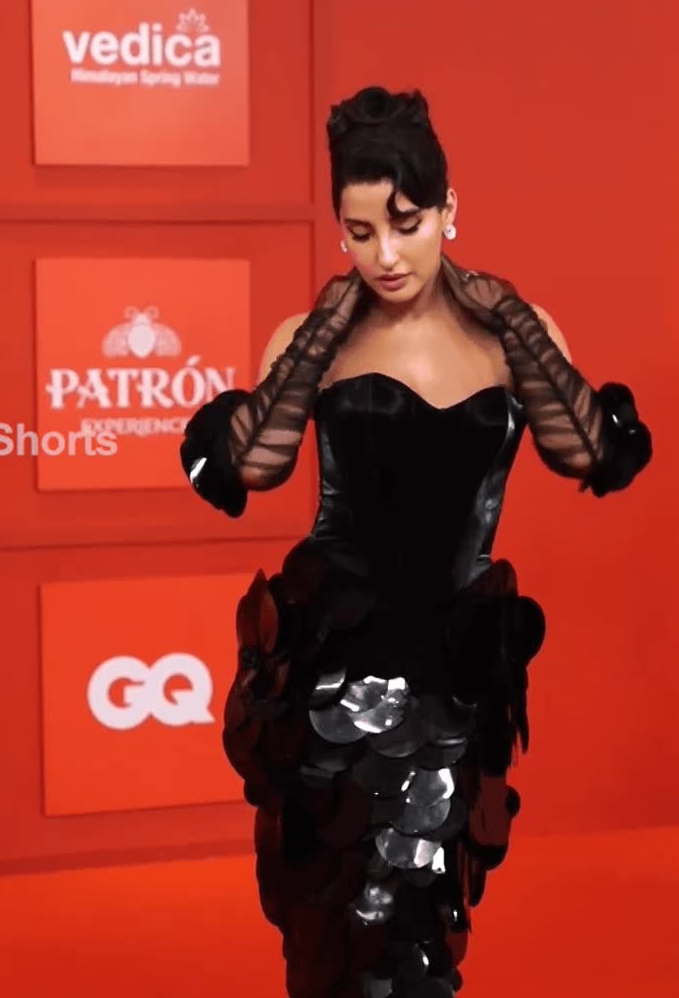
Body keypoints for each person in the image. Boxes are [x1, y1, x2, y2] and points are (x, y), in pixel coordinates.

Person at [178, 85, 652, 997]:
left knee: (418, 930)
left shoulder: (513, 335)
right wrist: (323, 332)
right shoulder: (314, 337)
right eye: (360, 232)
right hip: (335, 680)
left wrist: (513, 320)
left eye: (406, 223)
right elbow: (246, 468)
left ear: (448, 208)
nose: (384, 255)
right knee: (338, 931)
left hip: (452, 679)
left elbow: (592, 453)